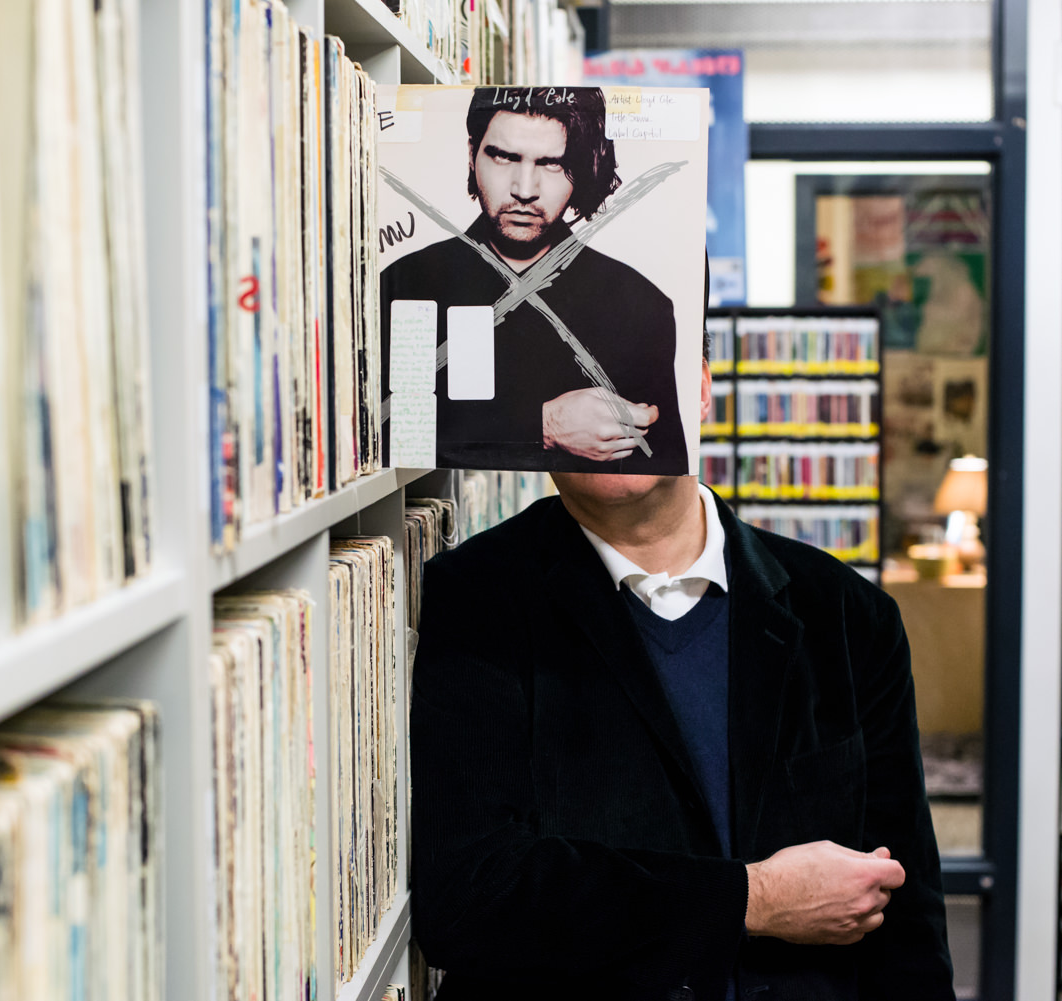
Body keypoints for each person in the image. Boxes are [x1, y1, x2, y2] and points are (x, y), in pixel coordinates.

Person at [408, 319, 955, 999]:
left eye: (628, 371)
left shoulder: (848, 616)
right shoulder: (476, 600)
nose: (605, 405)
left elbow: (908, 927)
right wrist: (753, 899)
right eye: (569, 378)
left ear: (698, 387)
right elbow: (468, 898)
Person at [380, 86, 690, 474]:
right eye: (504, 156)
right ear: (472, 155)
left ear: (584, 167)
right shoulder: (408, 281)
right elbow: (381, 430)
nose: (524, 189)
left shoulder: (641, 304)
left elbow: (663, 464)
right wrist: (542, 425)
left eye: (552, 164)